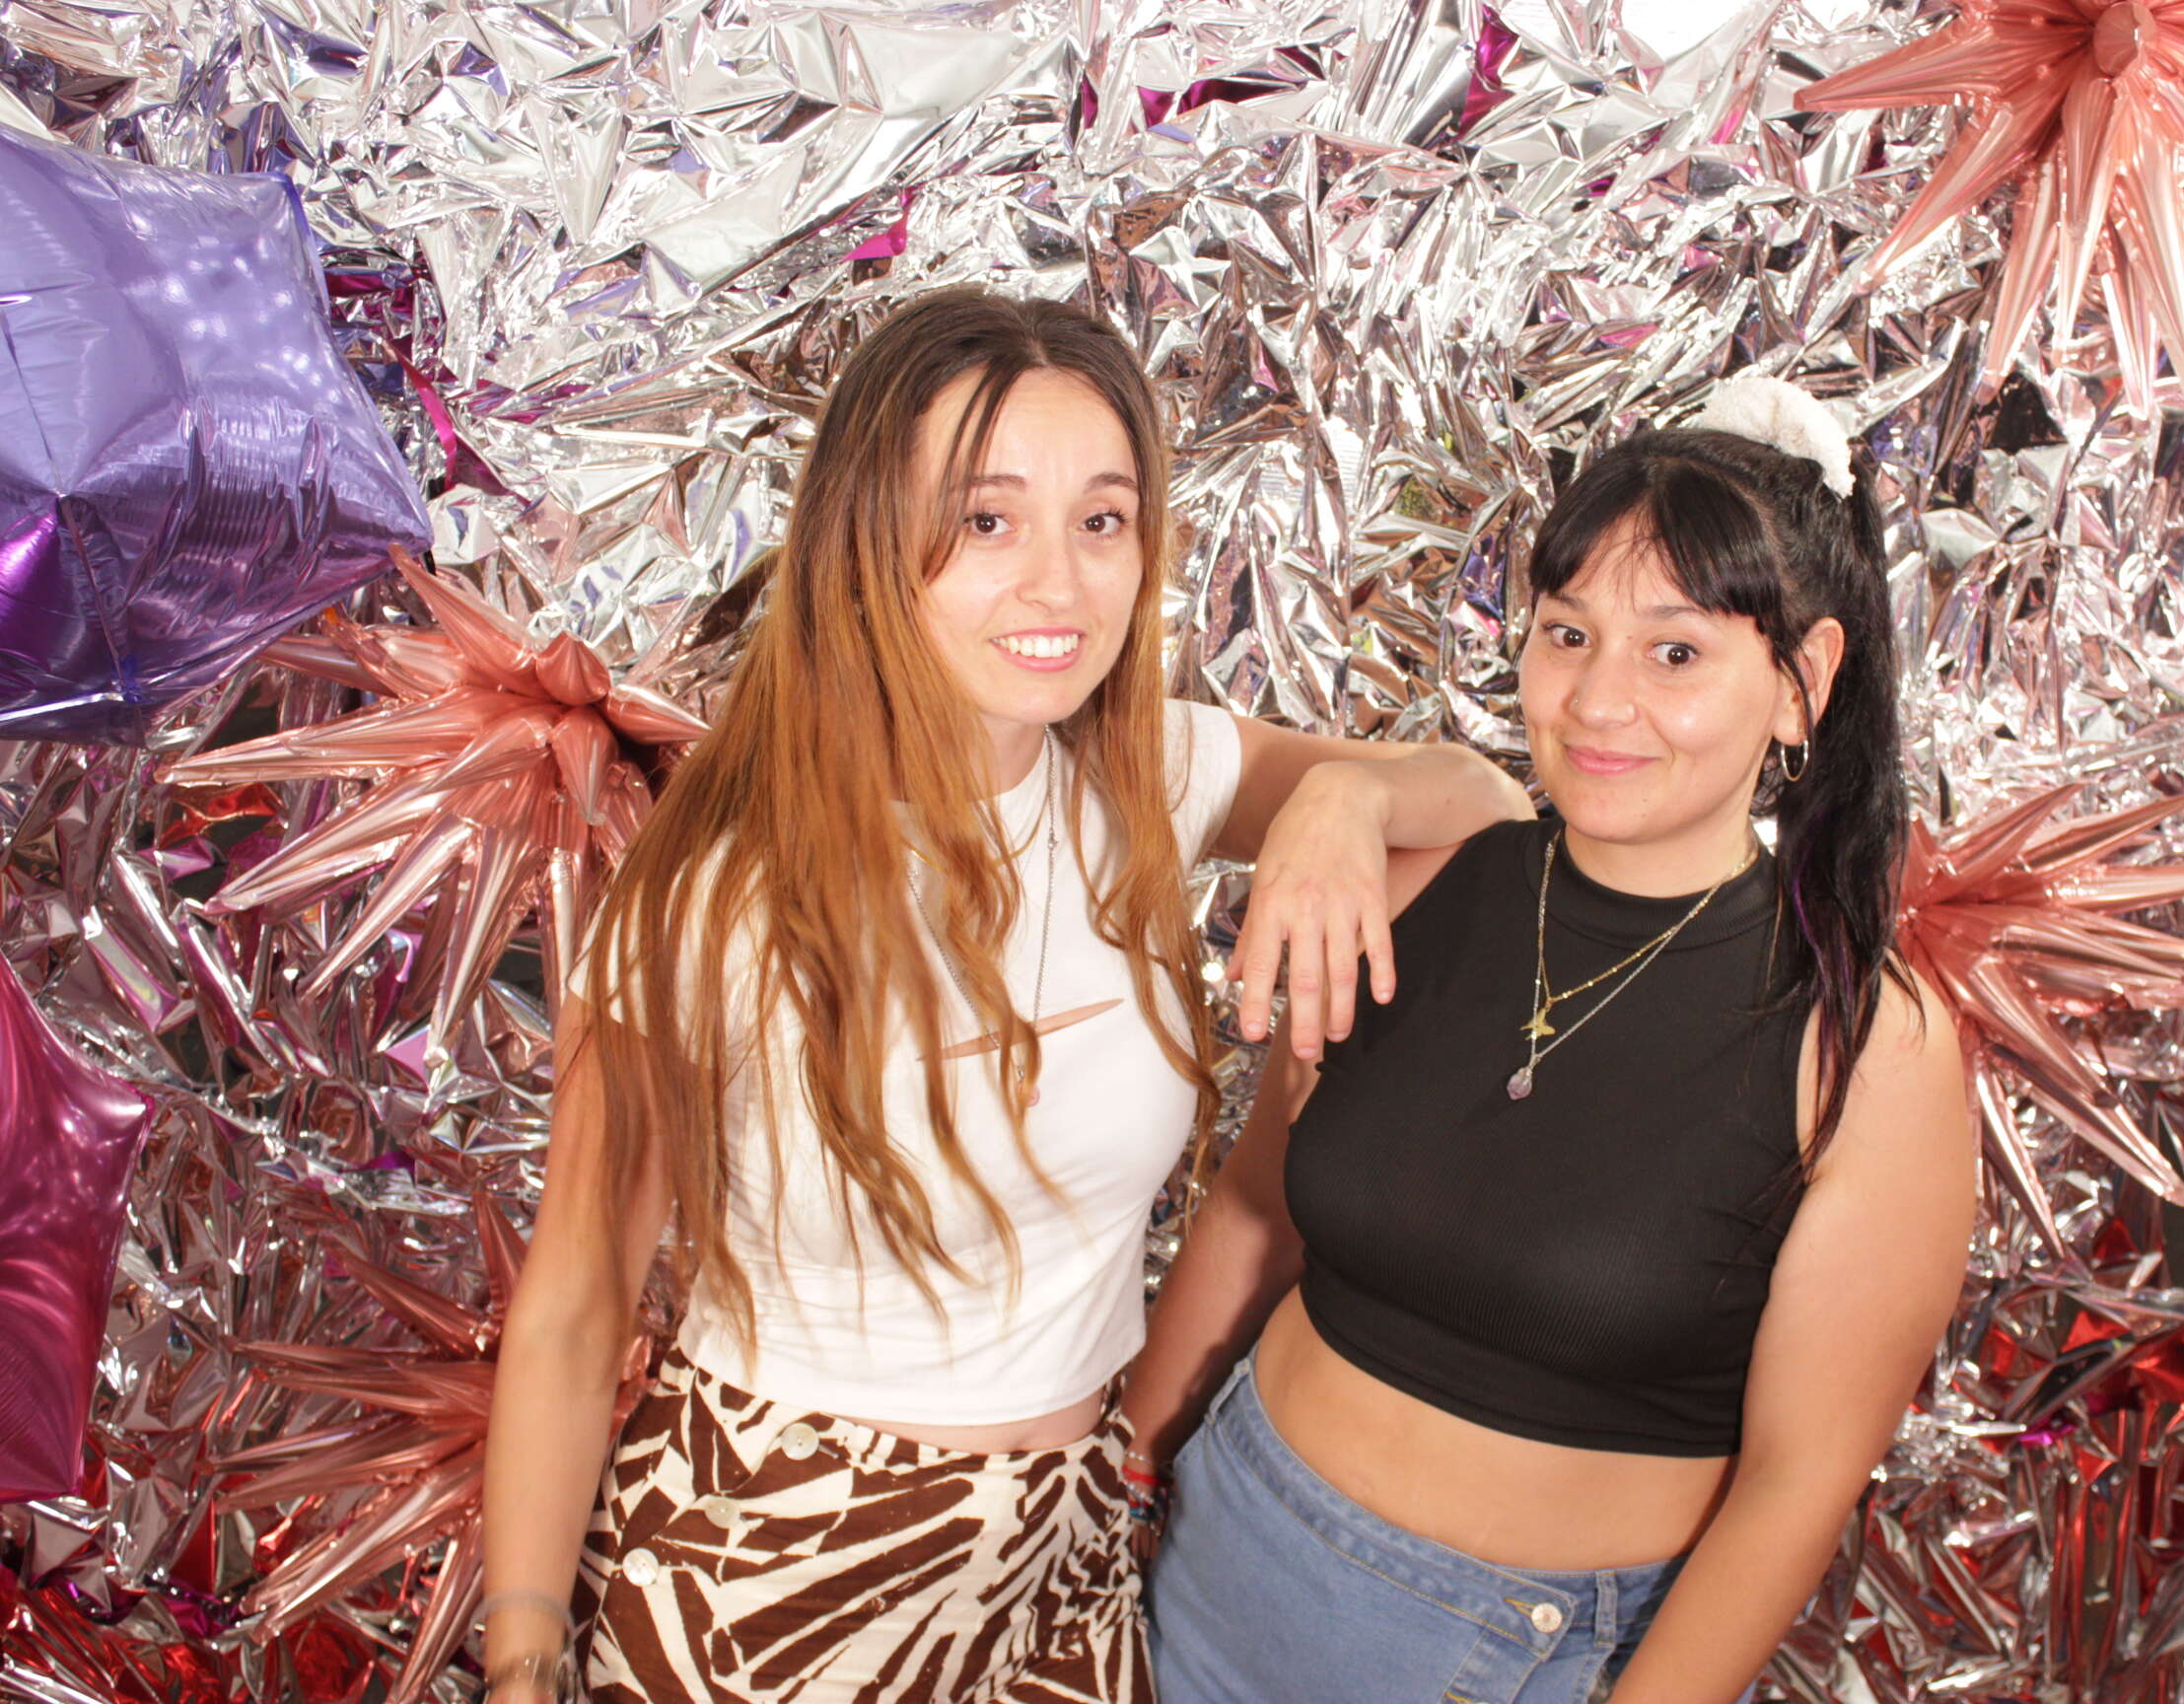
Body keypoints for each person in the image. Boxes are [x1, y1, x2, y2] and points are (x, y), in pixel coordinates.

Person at [475, 287, 1530, 1704]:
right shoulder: (722, 889)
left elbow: (1482, 801)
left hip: (1068, 1556)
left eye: (1102, 521)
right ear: (869, 543)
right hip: (767, 1571)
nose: (1060, 585)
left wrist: (1343, 795)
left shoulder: (1149, 776)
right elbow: (575, 1303)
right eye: (987, 521)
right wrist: (524, 1658)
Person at [1129, 380, 1976, 1704]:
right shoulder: (1428, 880)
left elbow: (1794, 1488)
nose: (1597, 700)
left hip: (1499, 1659)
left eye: (1676, 654)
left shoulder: (1865, 1044)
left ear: (1802, 682)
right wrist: (1125, 1474)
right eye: (1568, 634)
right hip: (1213, 1545)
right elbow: (1255, 1210)